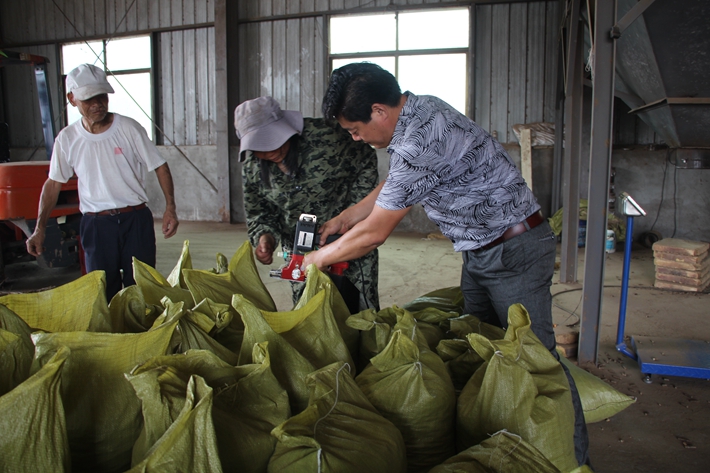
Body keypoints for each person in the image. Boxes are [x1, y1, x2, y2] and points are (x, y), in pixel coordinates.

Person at [303, 62, 590, 466]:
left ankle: (573, 458)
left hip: (512, 251)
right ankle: (499, 440)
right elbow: (394, 185)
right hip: (481, 248)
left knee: (537, 360)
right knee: (481, 343)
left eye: (355, 130)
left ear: (380, 112)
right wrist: (342, 220)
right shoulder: (421, 110)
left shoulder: (419, 141)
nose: (358, 138)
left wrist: (314, 260)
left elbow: (376, 233)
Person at [26, 63, 179, 301]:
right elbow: (53, 183)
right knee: (102, 288)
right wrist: (40, 228)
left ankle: (143, 335)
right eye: (88, 99)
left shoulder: (128, 129)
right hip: (96, 225)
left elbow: (160, 166)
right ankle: (112, 335)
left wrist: (170, 207)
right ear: (72, 98)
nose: (97, 103)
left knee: (141, 286)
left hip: (135, 220)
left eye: (101, 96)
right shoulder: (67, 139)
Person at [235, 95, 380, 311]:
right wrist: (265, 238)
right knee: (309, 315)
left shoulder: (329, 137)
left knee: (358, 313)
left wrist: (354, 212)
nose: (268, 151)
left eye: (272, 140)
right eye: (259, 146)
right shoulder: (252, 170)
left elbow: (366, 158)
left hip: (349, 244)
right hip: (300, 254)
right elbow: (259, 214)